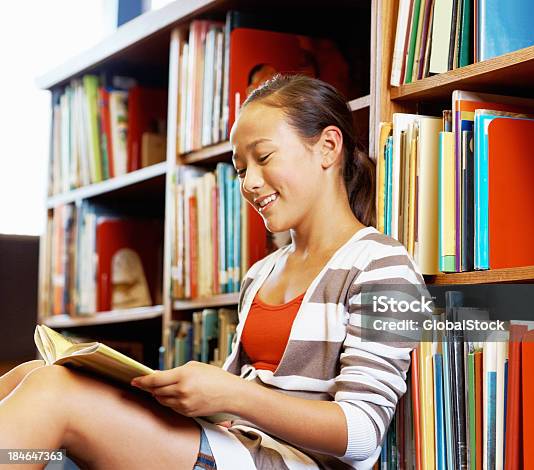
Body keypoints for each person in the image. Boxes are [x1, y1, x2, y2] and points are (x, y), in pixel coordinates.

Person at [0, 74, 427, 469]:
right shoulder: (262, 273)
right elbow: (233, 401)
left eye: (264, 158)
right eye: (242, 170)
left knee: (51, 395)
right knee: (32, 374)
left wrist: (234, 394)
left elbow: (363, 433)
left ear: (328, 148)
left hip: (293, 462)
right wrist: (187, 394)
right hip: (235, 444)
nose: (250, 183)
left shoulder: (381, 264)